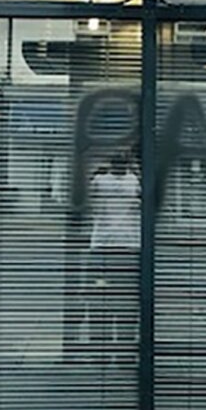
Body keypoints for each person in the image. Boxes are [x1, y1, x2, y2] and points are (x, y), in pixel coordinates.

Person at [87, 154, 140, 365]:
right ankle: (122, 352)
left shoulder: (100, 180)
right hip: (124, 247)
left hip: (105, 248)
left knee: (103, 301)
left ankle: (103, 350)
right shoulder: (134, 180)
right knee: (125, 303)